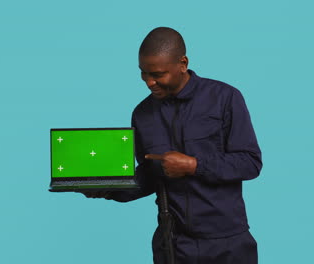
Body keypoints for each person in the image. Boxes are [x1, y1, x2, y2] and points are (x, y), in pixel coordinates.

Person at [84, 27, 262, 264]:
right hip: (174, 245)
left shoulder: (225, 98)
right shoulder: (142, 114)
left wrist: (194, 166)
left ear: (183, 63)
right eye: (143, 73)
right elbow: (149, 176)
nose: (149, 82)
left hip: (228, 242)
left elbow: (250, 163)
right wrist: (108, 189)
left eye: (157, 74)